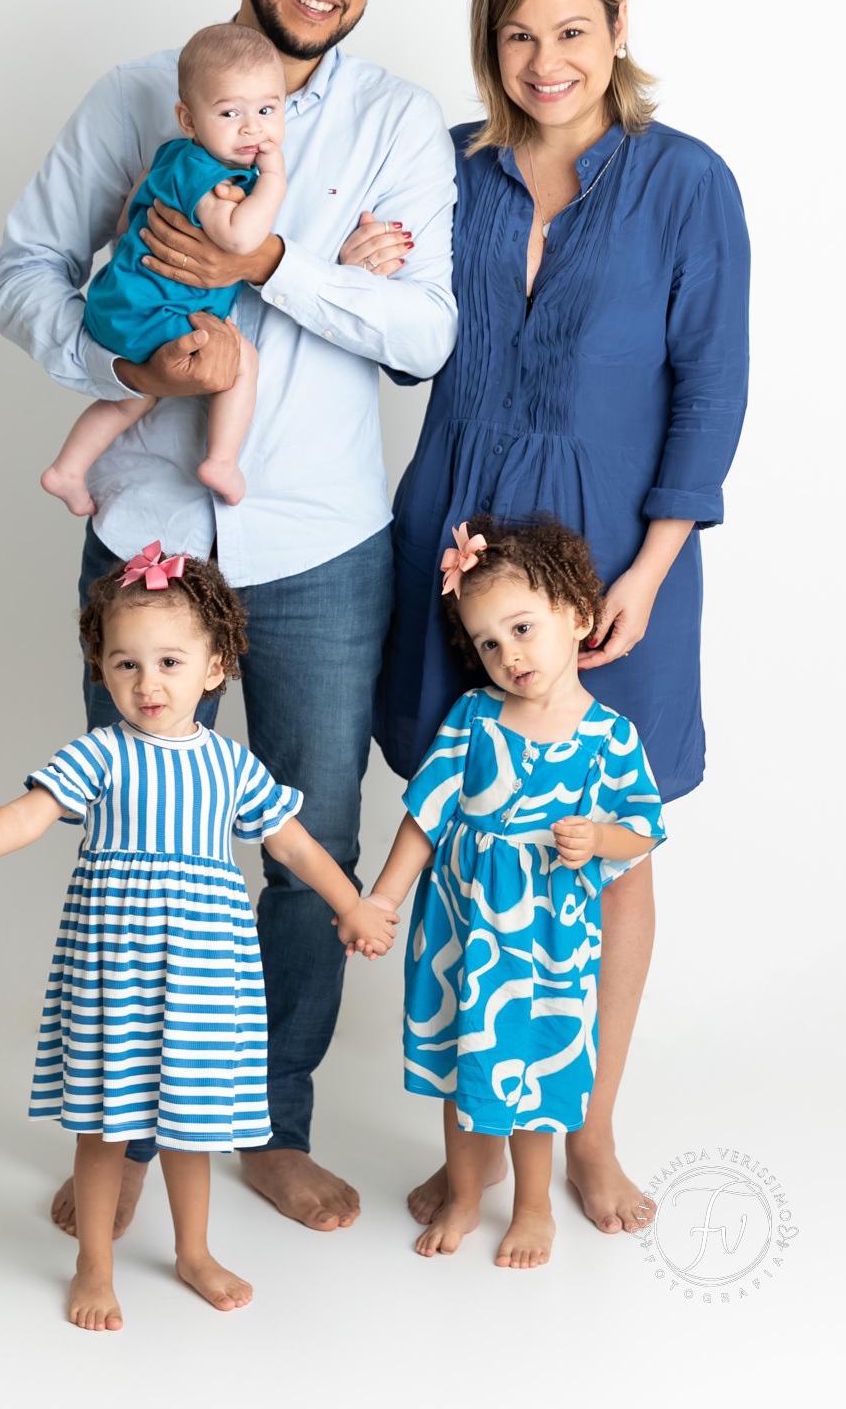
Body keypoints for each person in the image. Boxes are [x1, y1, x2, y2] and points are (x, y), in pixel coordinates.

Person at [0, 0, 457, 1235]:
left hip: (320, 544)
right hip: (147, 537)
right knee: (135, 844)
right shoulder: (135, 95)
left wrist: (277, 263)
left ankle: (271, 1122)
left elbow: (424, 334)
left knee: (313, 836)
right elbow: (22, 269)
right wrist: (119, 364)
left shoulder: (398, 125)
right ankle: (121, 1140)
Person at [369, 0, 749, 1238]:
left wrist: (653, 566)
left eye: (574, 31)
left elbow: (711, 387)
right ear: (490, 40)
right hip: (457, 542)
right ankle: (476, 1147)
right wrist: (367, 270)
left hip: (619, 556)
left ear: (620, 27)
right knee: (470, 823)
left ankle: (589, 1132)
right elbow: (406, 350)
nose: (547, 63)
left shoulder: (686, 181)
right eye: (519, 35)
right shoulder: (447, 168)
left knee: (610, 847)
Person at [0, 546, 397, 1330]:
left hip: (202, 973)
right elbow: (30, 813)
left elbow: (296, 846)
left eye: (169, 661)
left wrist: (351, 906)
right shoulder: (100, 753)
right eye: (125, 663)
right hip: (116, 972)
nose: (146, 682)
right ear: (101, 669)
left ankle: (193, 1253)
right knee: (107, 1125)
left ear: (215, 667)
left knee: (192, 1125)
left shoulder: (231, 765)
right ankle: (93, 1265)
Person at [349, 516, 664, 1266]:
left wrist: (601, 838)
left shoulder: (610, 737)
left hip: (547, 945)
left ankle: (533, 1208)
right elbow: (425, 816)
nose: (508, 654)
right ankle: (466, 1194)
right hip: (462, 937)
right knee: (465, 1065)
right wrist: (383, 900)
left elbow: (643, 831)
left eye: (522, 628)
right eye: (488, 643)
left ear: (578, 617)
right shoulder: (473, 717)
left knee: (535, 1072)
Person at [41, 24, 288, 513]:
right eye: (230, 113)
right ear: (189, 119)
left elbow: (127, 216)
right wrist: (274, 180)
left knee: (134, 397)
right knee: (243, 361)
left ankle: (67, 470)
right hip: (154, 312)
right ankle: (221, 461)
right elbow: (240, 239)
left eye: (267, 110)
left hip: (117, 301)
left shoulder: (173, 155)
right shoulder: (210, 176)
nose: (252, 128)